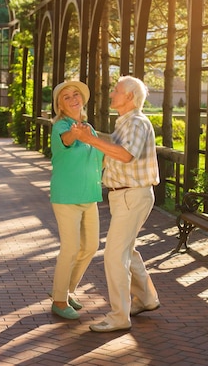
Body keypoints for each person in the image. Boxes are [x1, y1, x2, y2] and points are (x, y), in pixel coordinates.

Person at [71, 75, 160, 332]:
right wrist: (92, 137)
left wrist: (90, 139)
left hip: (132, 195)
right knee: (127, 251)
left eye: (117, 91)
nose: (112, 95)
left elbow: (124, 154)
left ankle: (119, 317)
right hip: (126, 195)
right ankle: (146, 299)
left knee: (113, 255)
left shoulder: (136, 122)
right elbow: (114, 149)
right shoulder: (126, 123)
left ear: (130, 97)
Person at [49, 80, 104, 320]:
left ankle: (68, 290)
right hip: (66, 196)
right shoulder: (61, 126)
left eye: (76, 95)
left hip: (89, 195)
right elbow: (68, 139)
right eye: (66, 97)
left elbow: (99, 157)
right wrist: (75, 132)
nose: (73, 99)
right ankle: (59, 300)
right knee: (70, 248)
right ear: (59, 105)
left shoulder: (89, 128)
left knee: (90, 246)